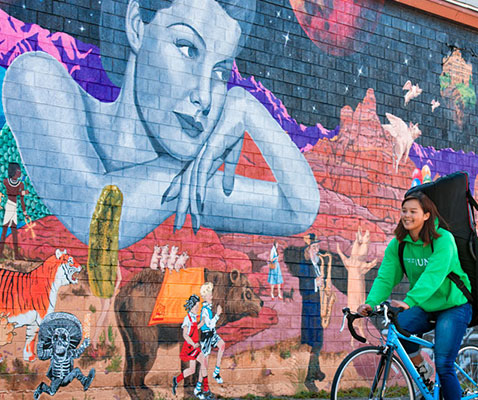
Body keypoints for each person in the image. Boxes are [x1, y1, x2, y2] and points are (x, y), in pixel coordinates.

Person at [2, 0, 319, 249]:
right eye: (187, 48)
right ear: (137, 26)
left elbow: (300, 210)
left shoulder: (181, 186)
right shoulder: (38, 81)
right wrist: (189, 172)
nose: (205, 96)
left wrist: (247, 107)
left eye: (220, 72)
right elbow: (97, 219)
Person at [357, 191, 472, 400]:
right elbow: (385, 277)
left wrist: (409, 301)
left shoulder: (443, 240)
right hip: (426, 306)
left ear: (427, 215)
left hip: (453, 305)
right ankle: (424, 373)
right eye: (404, 211)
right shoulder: (399, 244)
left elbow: (433, 276)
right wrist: (371, 304)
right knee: (398, 330)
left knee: (444, 364)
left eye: (413, 211)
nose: (406, 215)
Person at [298, 233, 325, 392]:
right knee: (315, 342)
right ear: (308, 249)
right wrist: (316, 282)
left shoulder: (316, 264)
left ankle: (316, 371)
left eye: (318, 247)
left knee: (318, 341)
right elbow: (303, 288)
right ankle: (309, 379)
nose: (317, 250)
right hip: (309, 309)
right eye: (314, 247)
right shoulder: (304, 264)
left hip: (316, 307)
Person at [195, 282, 225, 398]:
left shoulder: (208, 308)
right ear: (205, 296)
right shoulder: (204, 311)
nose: (211, 296)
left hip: (212, 334)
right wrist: (217, 315)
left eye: (211, 294)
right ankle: (199, 388)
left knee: (222, 345)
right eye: (209, 294)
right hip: (207, 336)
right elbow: (210, 324)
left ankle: (216, 371)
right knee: (204, 364)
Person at [172, 294, 203, 397]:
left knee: (193, 369)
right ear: (192, 306)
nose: (198, 309)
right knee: (203, 363)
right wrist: (193, 343)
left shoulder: (194, 318)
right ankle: (200, 388)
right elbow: (185, 334)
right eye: (196, 307)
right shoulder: (187, 319)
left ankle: (176, 379)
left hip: (194, 346)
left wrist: (202, 322)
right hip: (190, 347)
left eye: (199, 307)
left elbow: (195, 328)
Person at [0, 162, 29, 259]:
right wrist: (23, 192)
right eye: (18, 170)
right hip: (9, 207)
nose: (20, 172)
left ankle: (16, 254)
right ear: (13, 171)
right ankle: (1, 252)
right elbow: (19, 194)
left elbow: (21, 200)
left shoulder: (18, 184)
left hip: (13, 208)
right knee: (5, 229)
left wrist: (25, 213)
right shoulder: (8, 182)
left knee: (13, 230)